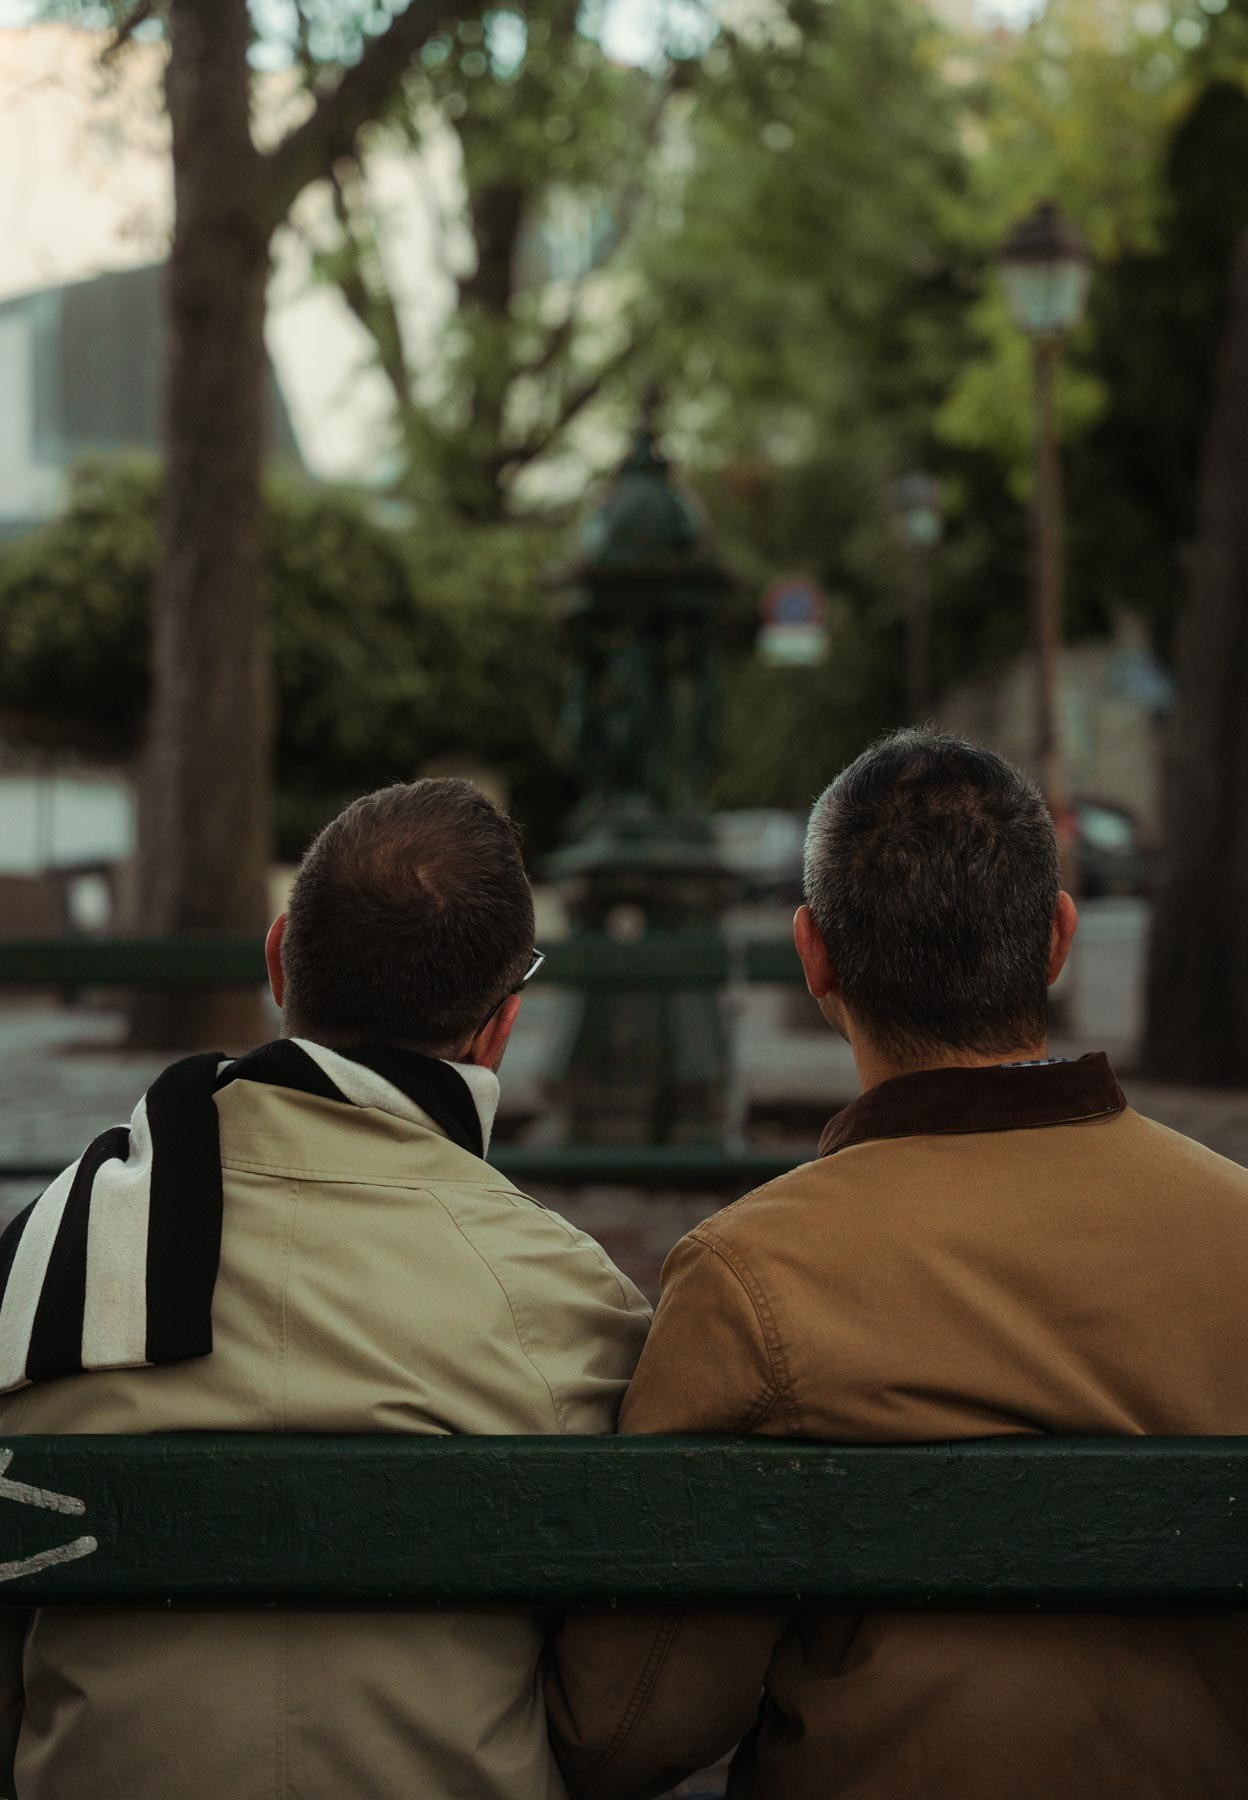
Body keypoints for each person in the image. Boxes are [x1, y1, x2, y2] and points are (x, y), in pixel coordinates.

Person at [548, 728, 1248, 1800]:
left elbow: (629, 1723)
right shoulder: (1234, 1222)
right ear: (1058, 938)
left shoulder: (753, 1273)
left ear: (812, 953)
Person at [0, 778, 650, 1800]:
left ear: (277, 960)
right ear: (501, 1028)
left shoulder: (50, 1251)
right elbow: (624, 1697)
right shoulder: (568, 1303)